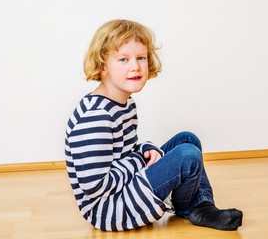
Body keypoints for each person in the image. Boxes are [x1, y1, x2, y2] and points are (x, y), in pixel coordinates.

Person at [65, 19, 243, 232]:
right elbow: (95, 186)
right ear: (103, 66)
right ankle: (191, 207)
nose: (135, 66)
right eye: (123, 59)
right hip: (110, 209)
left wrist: (144, 149)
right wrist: (140, 159)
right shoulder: (96, 117)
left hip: (125, 188)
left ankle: (199, 205)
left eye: (141, 57)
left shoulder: (125, 103)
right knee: (187, 154)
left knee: (187, 139)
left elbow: (125, 152)